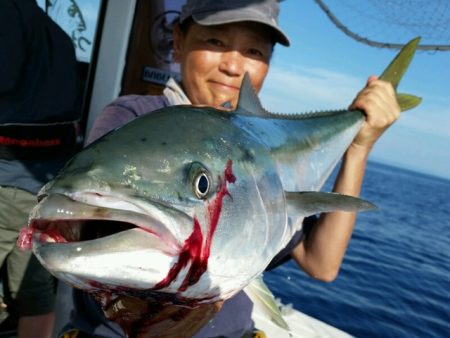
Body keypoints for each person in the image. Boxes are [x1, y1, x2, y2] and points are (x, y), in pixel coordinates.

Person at [60, 0, 401, 337]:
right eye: (216, 41)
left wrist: (359, 146)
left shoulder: (260, 152)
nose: (233, 66)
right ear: (178, 41)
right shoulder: (132, 118)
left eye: (254, 52)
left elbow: (321, 264)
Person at [0, 0, 81, 337]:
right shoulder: (62, 39)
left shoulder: (6, 15)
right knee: (34, 292)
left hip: (5, 180)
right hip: (45, 189)